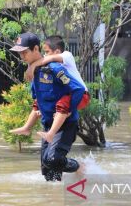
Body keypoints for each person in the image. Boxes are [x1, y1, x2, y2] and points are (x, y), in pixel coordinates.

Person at [9, 32, 85, 181]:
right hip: (48, 125)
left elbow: (78, 89)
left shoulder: (55, 68)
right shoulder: (33, 72)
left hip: (66, 125)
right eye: (19, 53)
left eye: (24, 52)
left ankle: (79, 167)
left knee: (53, 159)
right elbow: (37, 101)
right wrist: (27, 126)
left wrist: (69, 110)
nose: (22, 57)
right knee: (47, 170)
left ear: (36, 49)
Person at [11, 35, 90, 143]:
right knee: (37, 103)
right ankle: (27, 128)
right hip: (70, 93)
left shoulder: (66, 56)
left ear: (57, 51)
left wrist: (32, 65)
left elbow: (49, 58)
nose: (45, 56)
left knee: (63, 105)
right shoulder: (48, 68)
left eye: (47, 52)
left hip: (81, 94)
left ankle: (51, 133)